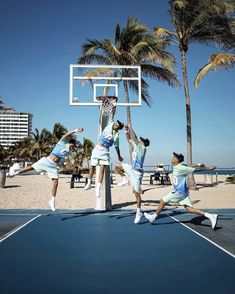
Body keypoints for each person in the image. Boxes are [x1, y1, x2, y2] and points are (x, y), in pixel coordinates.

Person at [7, 128, 84, 211]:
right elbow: (66, 135)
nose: (73, 146)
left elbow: (60, 159)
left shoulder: (68, 151)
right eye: (73, 145)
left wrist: (61, 166)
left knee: (55, 182)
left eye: (74, 146)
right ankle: (14, 173)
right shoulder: (62, 142)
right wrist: (75, 130)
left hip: (53, 166)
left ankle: (52, 200)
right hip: (47, 161)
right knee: (31, 167)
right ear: (70, 142)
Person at [144, 152, 218, 229]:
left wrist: (207, 168)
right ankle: (211, 216)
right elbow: (188, 165)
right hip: (184, 193)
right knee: (190, 209)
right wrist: (197, 164)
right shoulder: (177, 166)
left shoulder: (181, 168)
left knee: (162, 201)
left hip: (179, 192)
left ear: (177, 160)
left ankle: (153, 217)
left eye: (174, 157)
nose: (172, 158)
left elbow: (194, 169)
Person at [83, 104, 124, 197]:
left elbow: (117, 147)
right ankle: (89, 184)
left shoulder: (116, 136)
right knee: (92, 167)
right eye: (117, 123)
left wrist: (119, 156)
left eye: (118, 125)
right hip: (97, 148)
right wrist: (114, 106)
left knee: (102, 169)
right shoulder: (111, 123)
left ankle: (97, 188)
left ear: (119, 128)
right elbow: (112, 114)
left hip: (105, 151)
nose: (116, 124)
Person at [115, 123, 150, 224]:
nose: (140, 140)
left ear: (144, 143)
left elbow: (134, 137)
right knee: (117, 166)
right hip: (131, 169)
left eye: (141, 140)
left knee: (137, 194)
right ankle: (125, 180)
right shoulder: (137, 147)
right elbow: (129, 139)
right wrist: (126, 131)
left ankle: (138, 212)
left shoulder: (143, 149)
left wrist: (130, 128)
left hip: (137, 174)